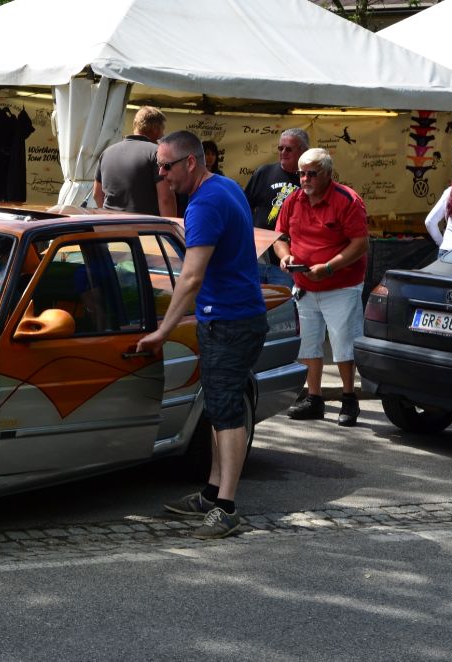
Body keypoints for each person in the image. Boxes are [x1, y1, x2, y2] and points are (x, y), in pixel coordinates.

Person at [136, 130, 268, 540]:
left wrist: (162, 331)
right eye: (159, 166)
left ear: (190, 162)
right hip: (233, 317)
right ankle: (212, 493)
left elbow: (191, 276)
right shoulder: (225, 187)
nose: (162, 175)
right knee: (217, 407)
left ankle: (226, 507)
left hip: (229, 321)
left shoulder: (205, 203)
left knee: (226, 411)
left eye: (167, 166)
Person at [273, 148, 369, 427]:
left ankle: (349, 398)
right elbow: (280, 235)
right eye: (301, 173)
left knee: (343, 344)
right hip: (304, 284)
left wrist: (329, 267)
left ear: (328, 174)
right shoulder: (293, 199)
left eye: (311, 174)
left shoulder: (347, 200)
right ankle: (314, 398)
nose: (304, 179)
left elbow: (360, 243)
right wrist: (285, 256)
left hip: (340, 284)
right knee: (309, 344)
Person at [243, 128, 310, 287]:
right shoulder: (264, 172)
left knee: (283, 309)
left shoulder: (309, 178)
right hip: (257, 258)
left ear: (303, 151)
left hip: (287, 263)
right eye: (281, 148)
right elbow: (244, 207)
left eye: (289, 149)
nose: (283, 152)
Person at [93, 106, 177, 217]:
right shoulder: (158, 153)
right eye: (162, 129)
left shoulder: (106, 153)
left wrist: (107, 215)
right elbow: (166, 198)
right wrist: (170, 228)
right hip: (144, 229)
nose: (163, 135)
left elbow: (97, 194)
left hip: (110, 227)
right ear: (155, 128)